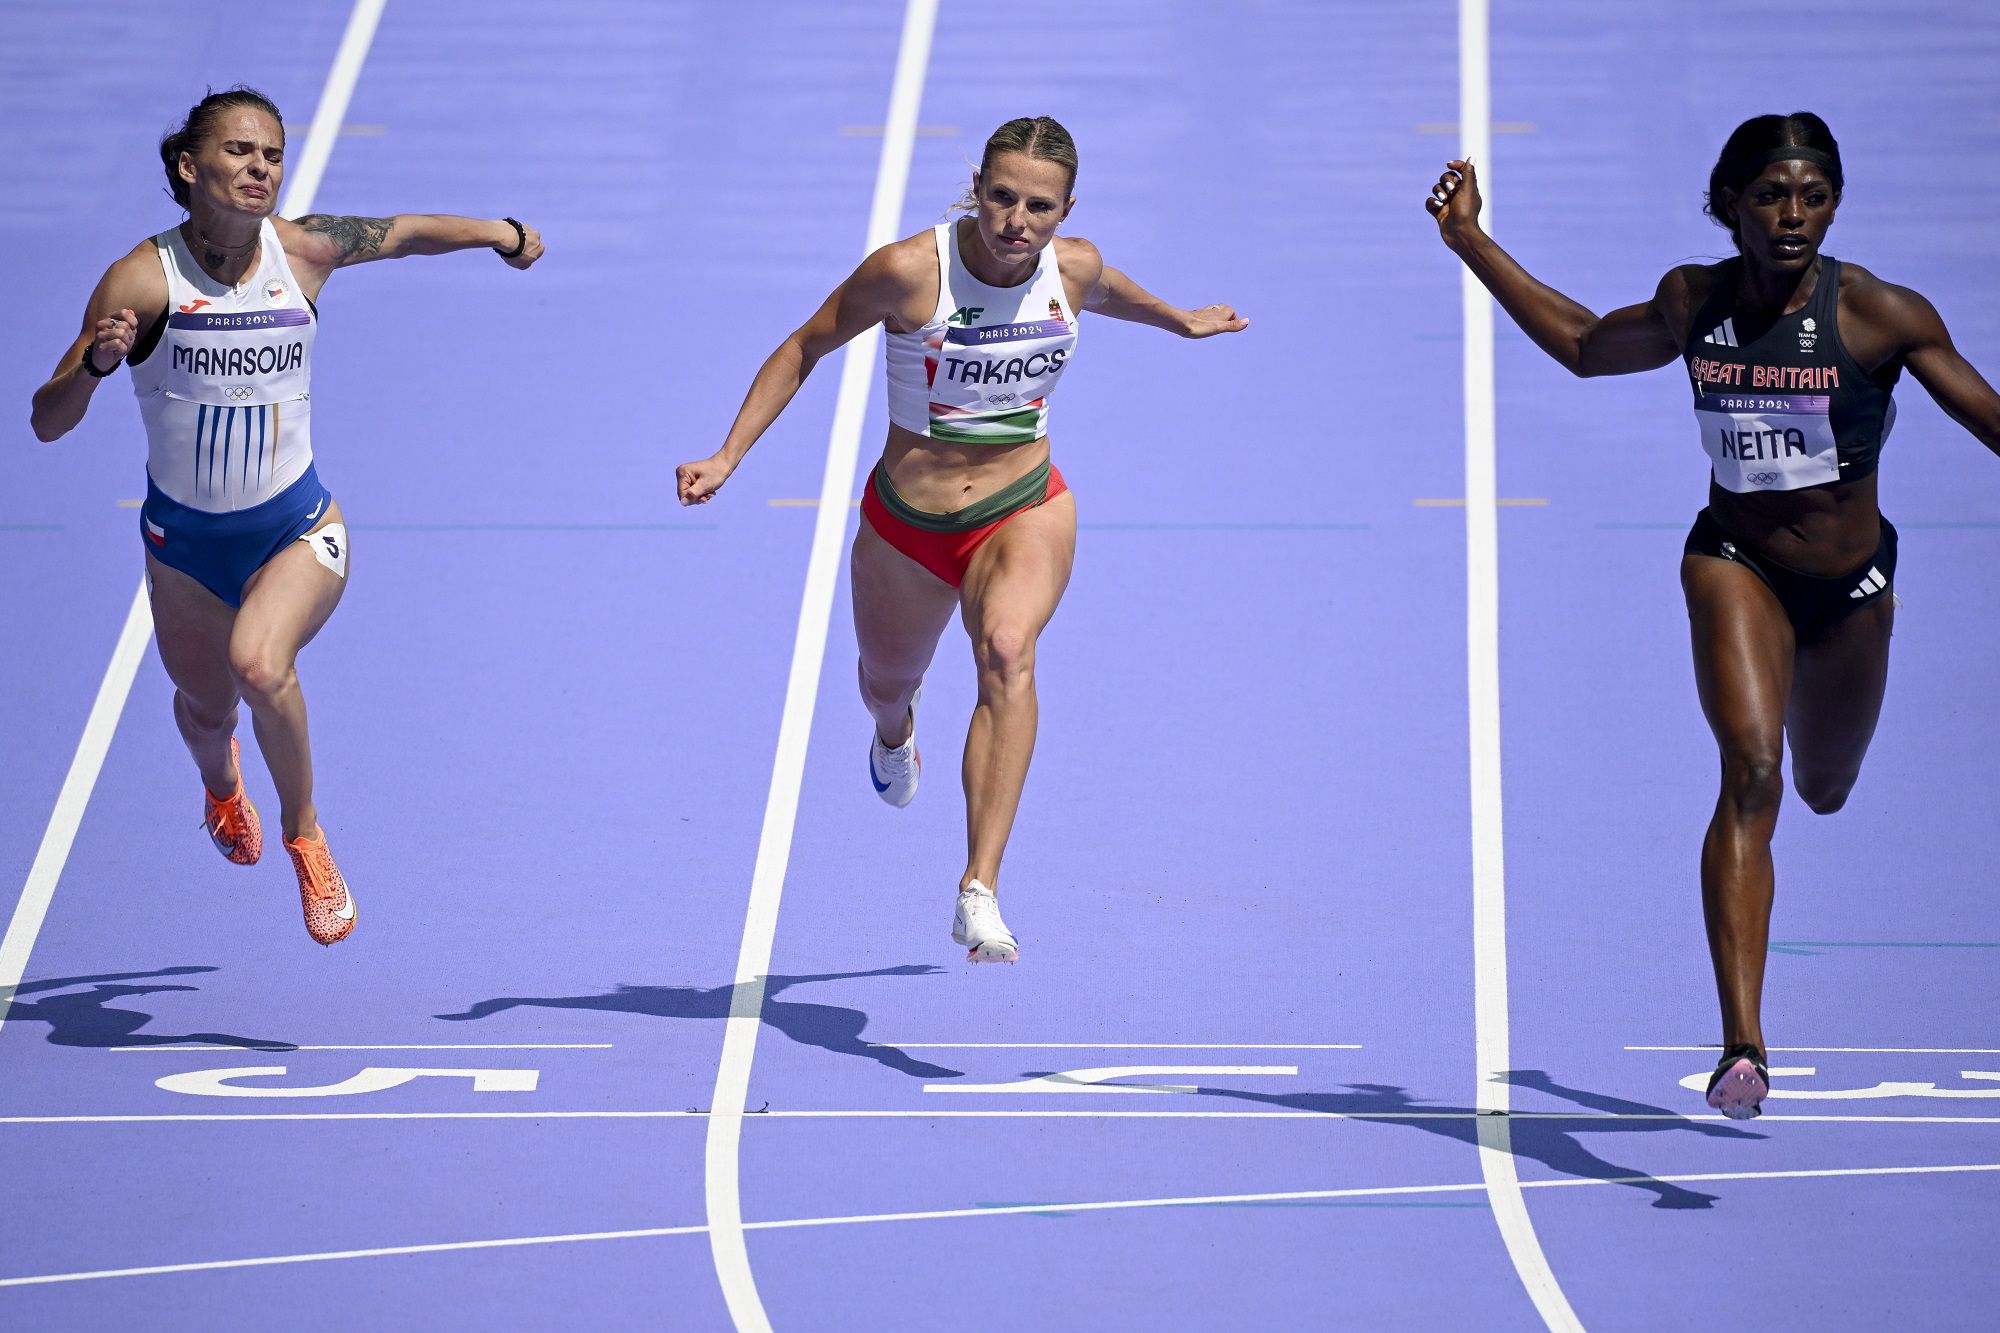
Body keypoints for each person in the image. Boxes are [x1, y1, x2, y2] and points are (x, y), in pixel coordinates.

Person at [1426, 112, 2000, 1116]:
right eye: (1770, 196)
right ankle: (1742, 1043)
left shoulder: (1878, 315)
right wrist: (1469, 239)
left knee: (1822, 787)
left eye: (1811, 196)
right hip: (1732, 560)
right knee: (1751, 770)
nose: (1791, 215)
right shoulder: (1693, 300)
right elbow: (1579, 344)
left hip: (1851, 586)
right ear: (1727, 204)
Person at [677, 116, 1246, 963]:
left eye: (1039, 206)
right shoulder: (909, 273)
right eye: (1003, 197)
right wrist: (729, 453)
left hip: (1023, 506)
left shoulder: (1074, 266)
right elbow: (806, 344)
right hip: (908, 528)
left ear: (1065, 210)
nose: (1018, 221)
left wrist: (1182, 320)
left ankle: (978, 888)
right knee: (885, 683)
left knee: (1009, 650)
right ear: (977, 188)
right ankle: (894, 732)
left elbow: (1118, 293)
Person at [30, 87, 543, 945]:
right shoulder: (140, 280)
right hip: (184, 548)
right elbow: (48, 421)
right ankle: (222, 788)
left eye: (270, 153)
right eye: (237, 152)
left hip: (297, 529)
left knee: (259, 665)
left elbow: (405, 232)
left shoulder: (303, 250)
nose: (259, 167)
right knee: (204, 708)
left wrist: (503, 232)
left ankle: (306, 836)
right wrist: (93, 363)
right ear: (189, 167)